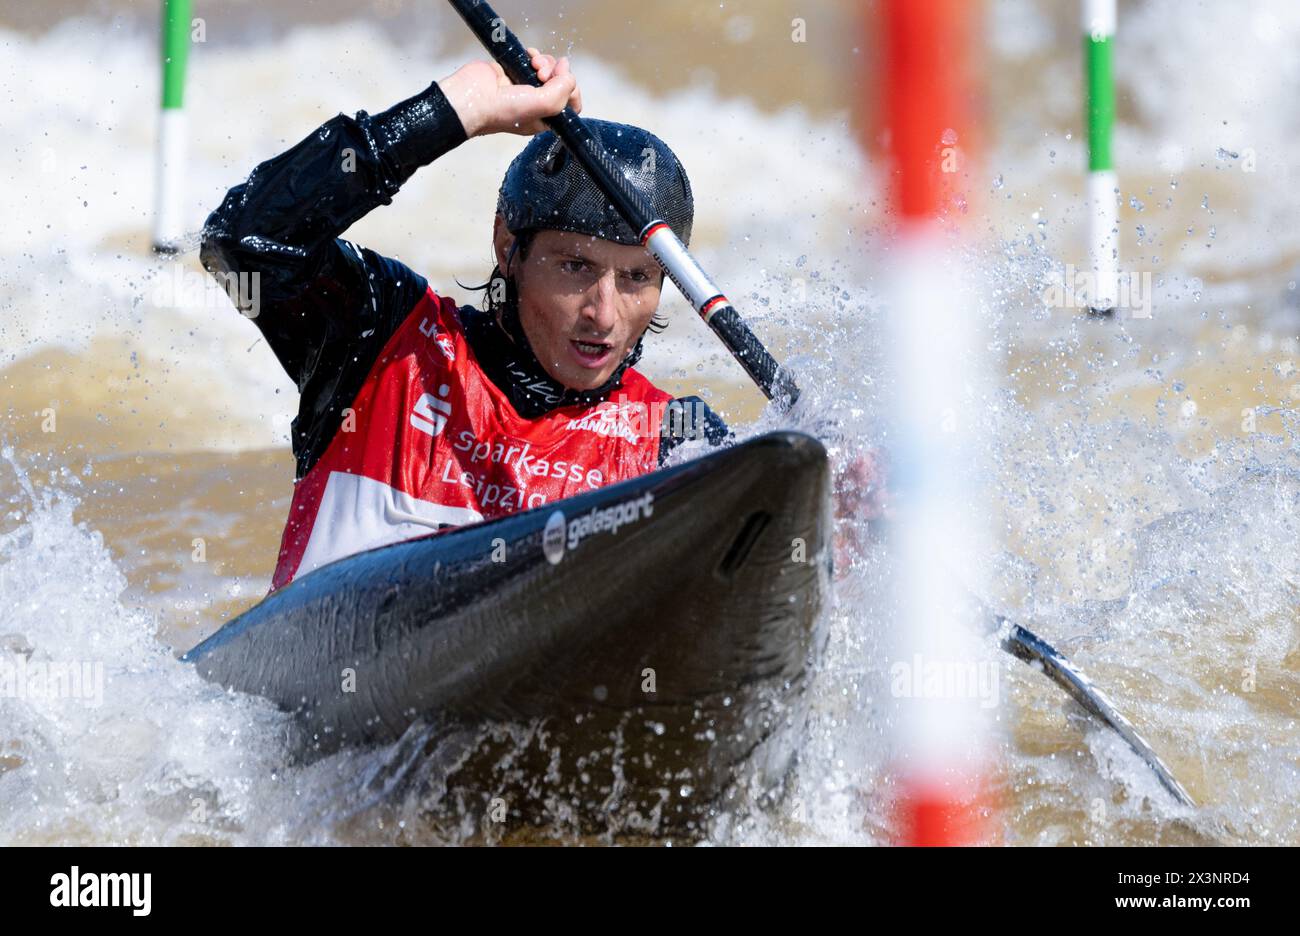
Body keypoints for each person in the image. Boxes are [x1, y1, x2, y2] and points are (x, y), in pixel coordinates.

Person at [202, 51, 882, 591]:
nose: (605, 314)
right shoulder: (382, 339)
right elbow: (242, 242)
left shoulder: (677, 443)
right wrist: (453, 111)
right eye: (575, 267)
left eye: (638, 278)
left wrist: (823, 537)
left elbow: (732, 605)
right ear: (508, 247)